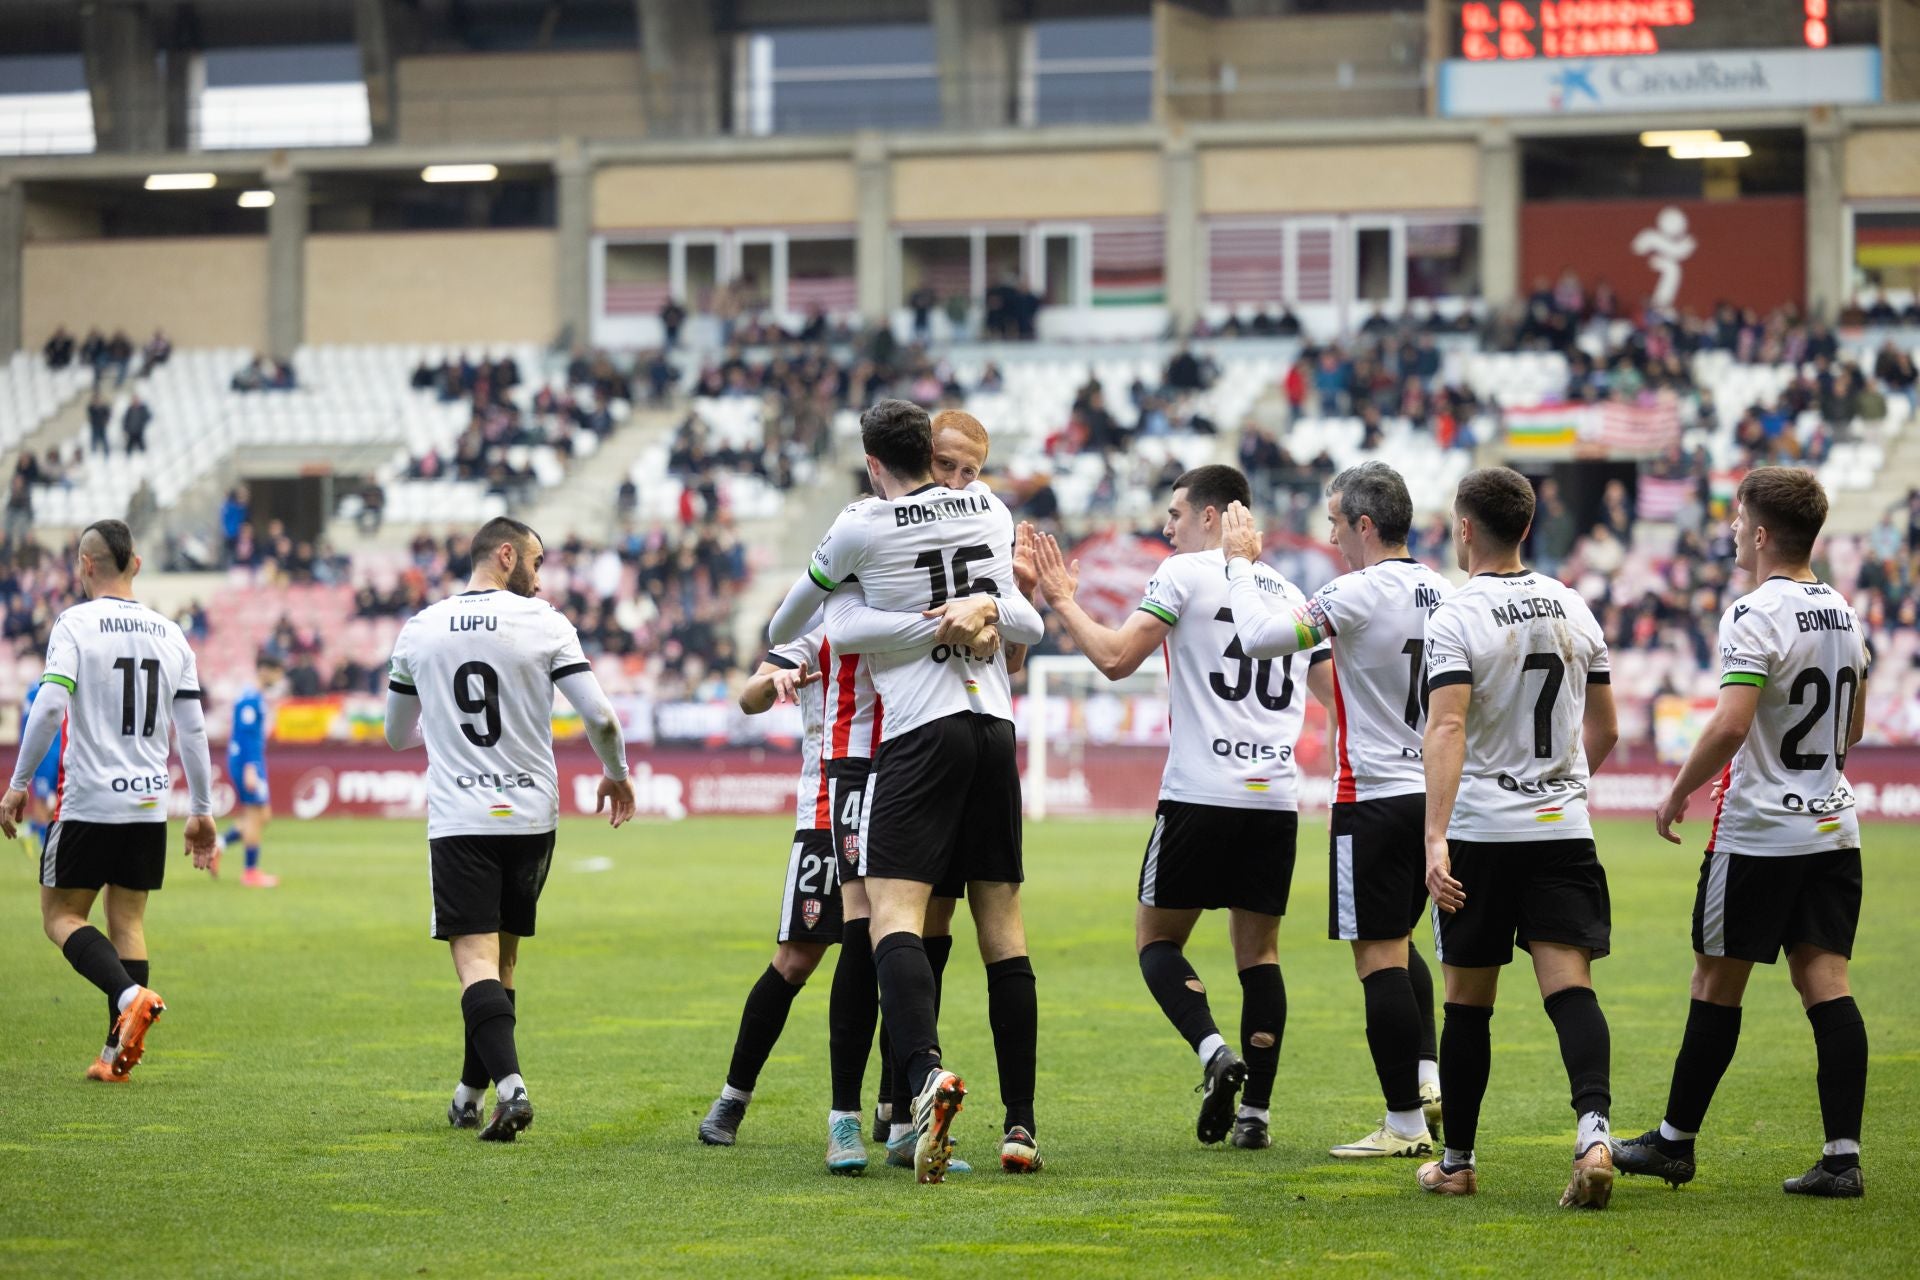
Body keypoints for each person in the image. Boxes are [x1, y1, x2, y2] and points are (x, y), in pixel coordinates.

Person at [765, 398, 1047, 1182]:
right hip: (994, 730)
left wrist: (889, 609)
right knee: (1003, 927)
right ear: (933, 452)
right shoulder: (988, 508)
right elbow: (1031, 627)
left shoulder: (864, 526)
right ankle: (1020, 1124)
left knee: (887, 916)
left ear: (872, 463)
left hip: (918, 737)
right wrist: (977, 608)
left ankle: (921, 1077)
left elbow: (792, 626)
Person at [1031, 465, 1328, 1151]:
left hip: (1200, 792)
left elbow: (1113, 659)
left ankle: (1215, 1052)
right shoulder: (1291, 593)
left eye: (1174, 512)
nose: (1166, 527)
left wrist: (1063, 600)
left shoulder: (1184, 574)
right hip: (1276, 797)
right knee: (1261, 955)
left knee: (1157, 942)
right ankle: (1256, 1117)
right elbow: (1335, 696)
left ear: (1213, 516)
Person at [1613, 468, 1872, 1199]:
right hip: (1833, 828)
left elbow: (1730, 723)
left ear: (1761, 534)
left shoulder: (1754, 612)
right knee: (1827, 982)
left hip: (1760, 832)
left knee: (1715, 980)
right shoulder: (1847, 615)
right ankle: (1842, 1157)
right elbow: (1852, 726)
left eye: (1736, 520)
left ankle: (1674, 1143)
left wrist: (1676, 791)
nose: (1730, 531)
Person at [1215, 461, 1449, 1160]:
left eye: (1336, 522)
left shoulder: (1350, 593)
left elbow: (1258, 638)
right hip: (1438, 797)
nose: (1332, 535)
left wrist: (1237, 567)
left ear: (1365, 525)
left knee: (1377, 957)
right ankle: (1429, 1079)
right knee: (1404, 946)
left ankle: (1404, 1123)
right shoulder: (1448, 590)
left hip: (1372, 796)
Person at [382, 517, 637, 1142]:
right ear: (506, 555)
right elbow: (600, 716)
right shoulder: (545, 623)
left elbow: (394, 735)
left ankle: (512, 1086)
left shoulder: (420, 629)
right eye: (537, 561)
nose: (540, 574)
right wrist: (617, 774)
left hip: (461, 817)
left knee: (474, 960)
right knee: (504, 960)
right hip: (531, 816)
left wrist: (442, 727)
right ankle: (470, 1092)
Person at [1416, 467, 1620, 1208]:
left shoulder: (1456, 615)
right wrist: (1559, 791)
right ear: (1527, 526)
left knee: (1468, 1003)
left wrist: (1435, 838)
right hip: (1562, 830)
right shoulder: (1575, 606)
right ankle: (1595, 1132)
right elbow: (1608, 729)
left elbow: (1446, 726)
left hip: (1481, 833)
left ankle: (1459, 1162)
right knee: (1570, 989)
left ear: (1465, 528)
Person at [0, 519, 219, 1082]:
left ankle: (128, 998)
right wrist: (201, 809)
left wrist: (19, 783)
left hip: (89, 800)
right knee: (127, 923)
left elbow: (49, 708)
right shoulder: (172, 634)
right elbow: (191, 732)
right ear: (137, 565)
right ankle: (115, 1057)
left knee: (60, 916)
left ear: (84, 565)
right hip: (148, 806)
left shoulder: (74, 623)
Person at [220, 653, 284, 887]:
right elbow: (246, 737)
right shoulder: (250, 700)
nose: (279, 677)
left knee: (262, 815)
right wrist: (249, 768)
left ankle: (221, 843)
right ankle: (250, 872)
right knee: (255, 816)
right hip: (248, 763)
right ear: (265, 670)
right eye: (277, 671)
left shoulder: (254, 697)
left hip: (253, 762)